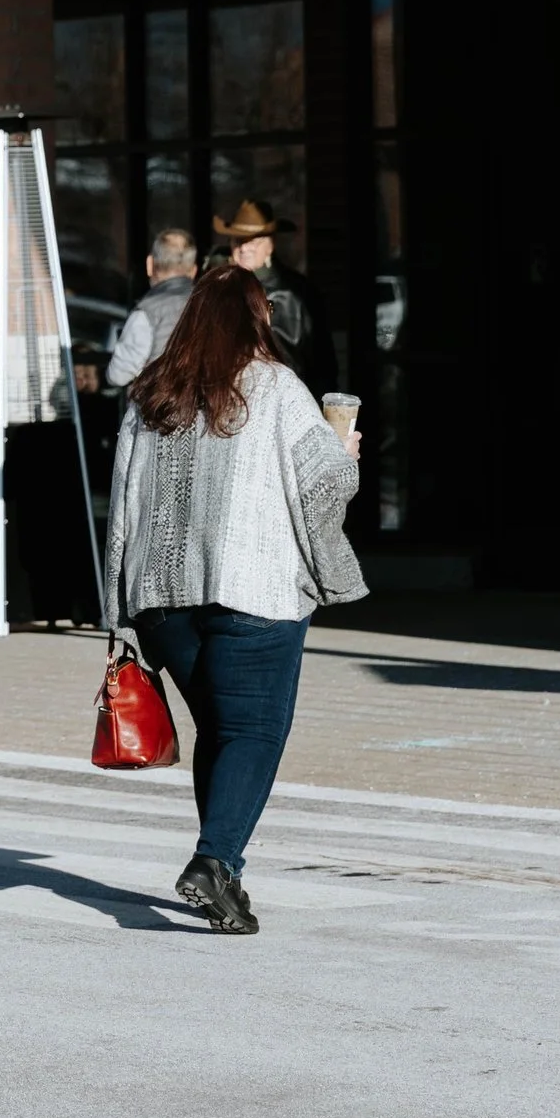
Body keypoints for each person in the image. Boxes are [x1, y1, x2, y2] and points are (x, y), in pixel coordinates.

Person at [102, 261, 366, 935]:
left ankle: (226, 879)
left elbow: (121, 511)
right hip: (254, 591)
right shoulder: (277, 388)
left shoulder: (147, 395)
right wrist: (347, 454)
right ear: (258, 322)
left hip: (162, 601)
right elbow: (321, 488)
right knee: (252, 730)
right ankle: (214, 863)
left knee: (220, 731)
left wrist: (119, 613)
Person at [207, 196, 336, 392]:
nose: (244, 247)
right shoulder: (219, 289)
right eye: (238, 240)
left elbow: (321, 364)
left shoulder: (297, 293)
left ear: (271, 244)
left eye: (253, 241)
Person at [103, 225, 199, 390]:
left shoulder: (147, 312)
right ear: (194, 270)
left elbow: (118, 375)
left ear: (150, 264)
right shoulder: (211, 304)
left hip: (157, 409)